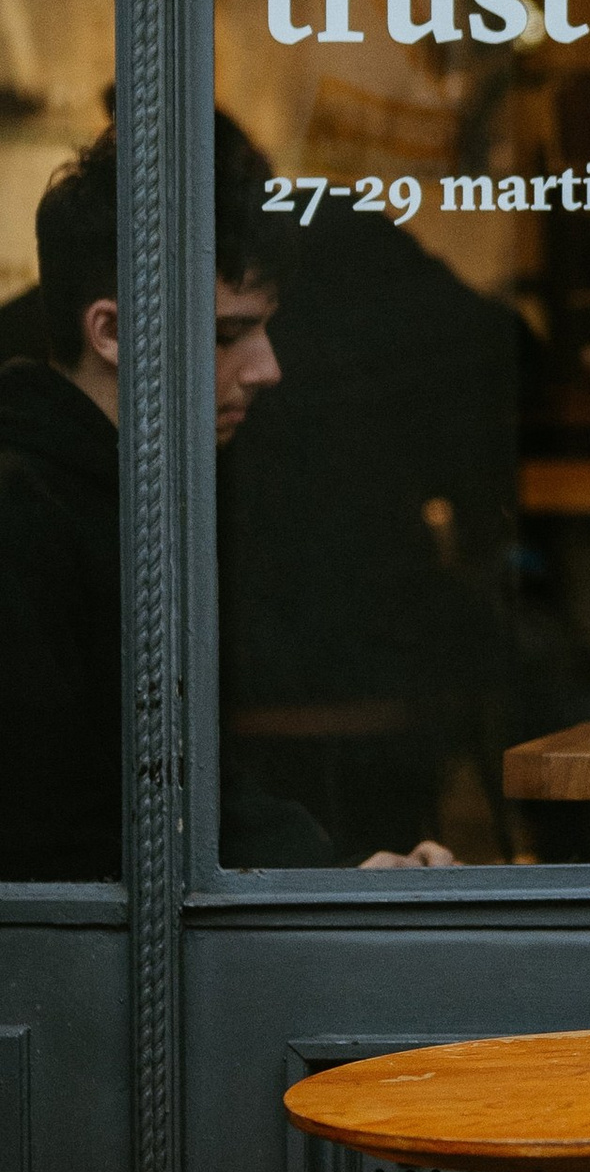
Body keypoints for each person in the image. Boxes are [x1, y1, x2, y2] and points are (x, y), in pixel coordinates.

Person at [0, 120, 455, 879]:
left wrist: (339, 880)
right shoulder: (28, 517)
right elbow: (63, 831)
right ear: (111, 332)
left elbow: (171, 795)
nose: (266, 368)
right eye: (227, 334)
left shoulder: (123, 491)